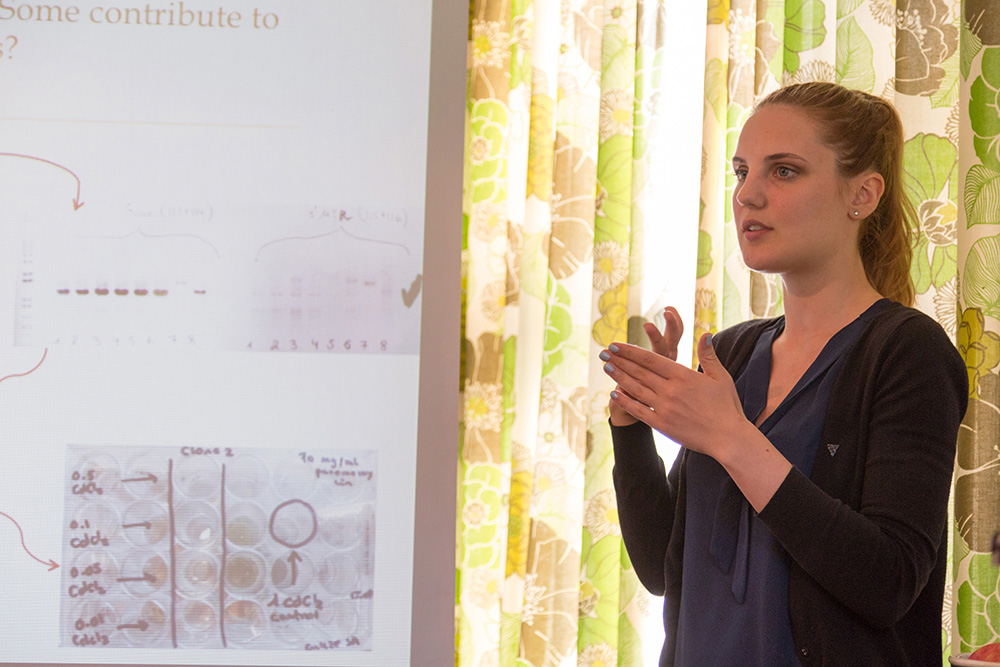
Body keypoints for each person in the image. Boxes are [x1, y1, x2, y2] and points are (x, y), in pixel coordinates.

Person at [599, 82, 968, 666]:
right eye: (742, 172)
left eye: (784, 171)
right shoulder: (731, 353)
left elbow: (889, 581)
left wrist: (732, 438)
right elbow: (660, 568)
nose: (748, 195)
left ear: (863, 195)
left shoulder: (907, 353)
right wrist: (633, 422)